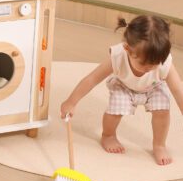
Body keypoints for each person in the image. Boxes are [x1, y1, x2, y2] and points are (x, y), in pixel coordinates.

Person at [60, 15, 183, 166]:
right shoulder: (118, 56)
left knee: (162, 111)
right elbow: (92, 79)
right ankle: (108, 135)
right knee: (115, 111)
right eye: (144, 64)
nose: (150, 68)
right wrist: (71, 102)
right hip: (124, 86)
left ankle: (159, 145)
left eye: (155, 64)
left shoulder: (164, 62)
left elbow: (178, 90)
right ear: (127, 49)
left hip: (154, 86)